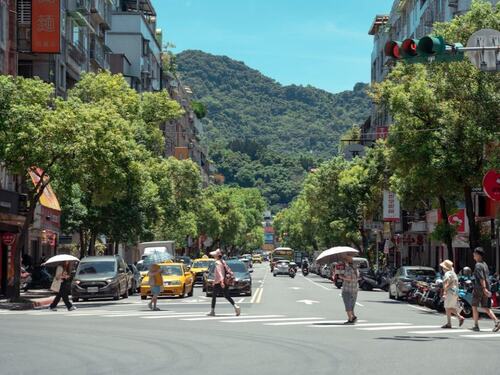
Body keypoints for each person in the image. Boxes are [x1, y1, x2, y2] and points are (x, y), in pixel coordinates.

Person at [470, 247, 500, 332]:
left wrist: (483, 289)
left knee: (474, 306)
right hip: (486, 287)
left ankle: (476, 325)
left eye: (474, 254)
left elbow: (481, 278)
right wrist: (486, 289)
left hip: (479, 288)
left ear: (478, 255)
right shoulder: (485, 264)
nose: (473, 256)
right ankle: (496, 321)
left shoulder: (478, 265)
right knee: (485, 307)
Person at [207, 249, 240, 317]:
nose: (213, 256)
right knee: (226, 295)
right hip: (224, 281)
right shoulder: (223, 261)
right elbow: (228, 270)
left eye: (214, 255)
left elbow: (219, 273)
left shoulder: (217, 263)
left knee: (214, 296)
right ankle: (235, 306)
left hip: (219, 282)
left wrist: (221, 282)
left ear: (217, 256)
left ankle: (212, 311)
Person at [440, 260, 465, 329]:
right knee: (448, 307)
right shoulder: (453, 273)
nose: (442, 268)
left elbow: (447, 281)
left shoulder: (447, 273)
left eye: (443, 267)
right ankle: (449, 323)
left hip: (450, 291)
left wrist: (445, 290)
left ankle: (459, 318)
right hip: (455, 292)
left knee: (448, 307)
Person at [339, 254, 359, 324]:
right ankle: (353, 317)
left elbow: (349, 279)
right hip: (355, 289)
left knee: (347, 305)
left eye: (344, 260)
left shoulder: (348, 269)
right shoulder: (355, 269)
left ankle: (351, 319)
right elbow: (356, 278)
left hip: (348, 290)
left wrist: (342, 277)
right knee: (351, 305)